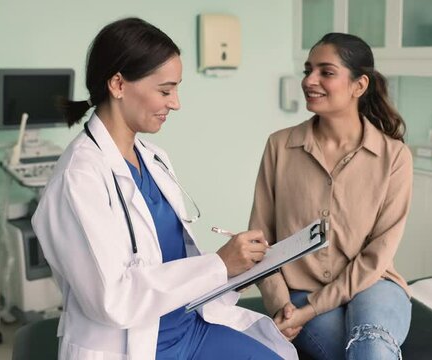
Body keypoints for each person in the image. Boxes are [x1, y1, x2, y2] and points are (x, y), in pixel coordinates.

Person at [31, 17, 297, 360]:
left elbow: (172, 261)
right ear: (118, 84)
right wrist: (218, 264)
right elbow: (113, 301)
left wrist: (240, 267)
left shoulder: (155, 159)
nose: (176, 103)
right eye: (165, 90)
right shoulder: (79, 179)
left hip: (189, 327)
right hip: (136, 348)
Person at [249, 32, 413, 360]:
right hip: (299, 290)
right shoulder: (280, 146)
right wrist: (283, 305)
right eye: (308, 70)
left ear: (359, 85)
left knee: (372, 343)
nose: (310, 80)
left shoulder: (394, 156)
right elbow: (261, 242)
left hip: (374, 285)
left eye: (326, 72)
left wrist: (311, 310)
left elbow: (377, 253)